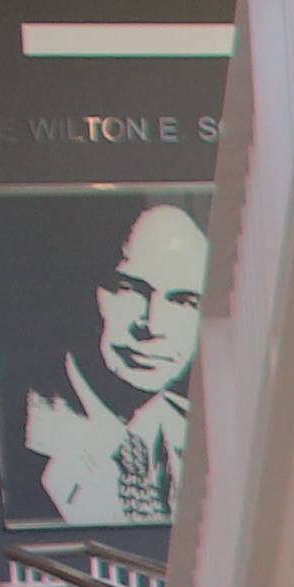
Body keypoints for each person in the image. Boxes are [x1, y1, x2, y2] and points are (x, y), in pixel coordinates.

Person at [21, 200, 204, 527]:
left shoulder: (211, 435)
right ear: (86, 289)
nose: (153, 325)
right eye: (129, 289)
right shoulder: (20, 432)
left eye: (184, 300)